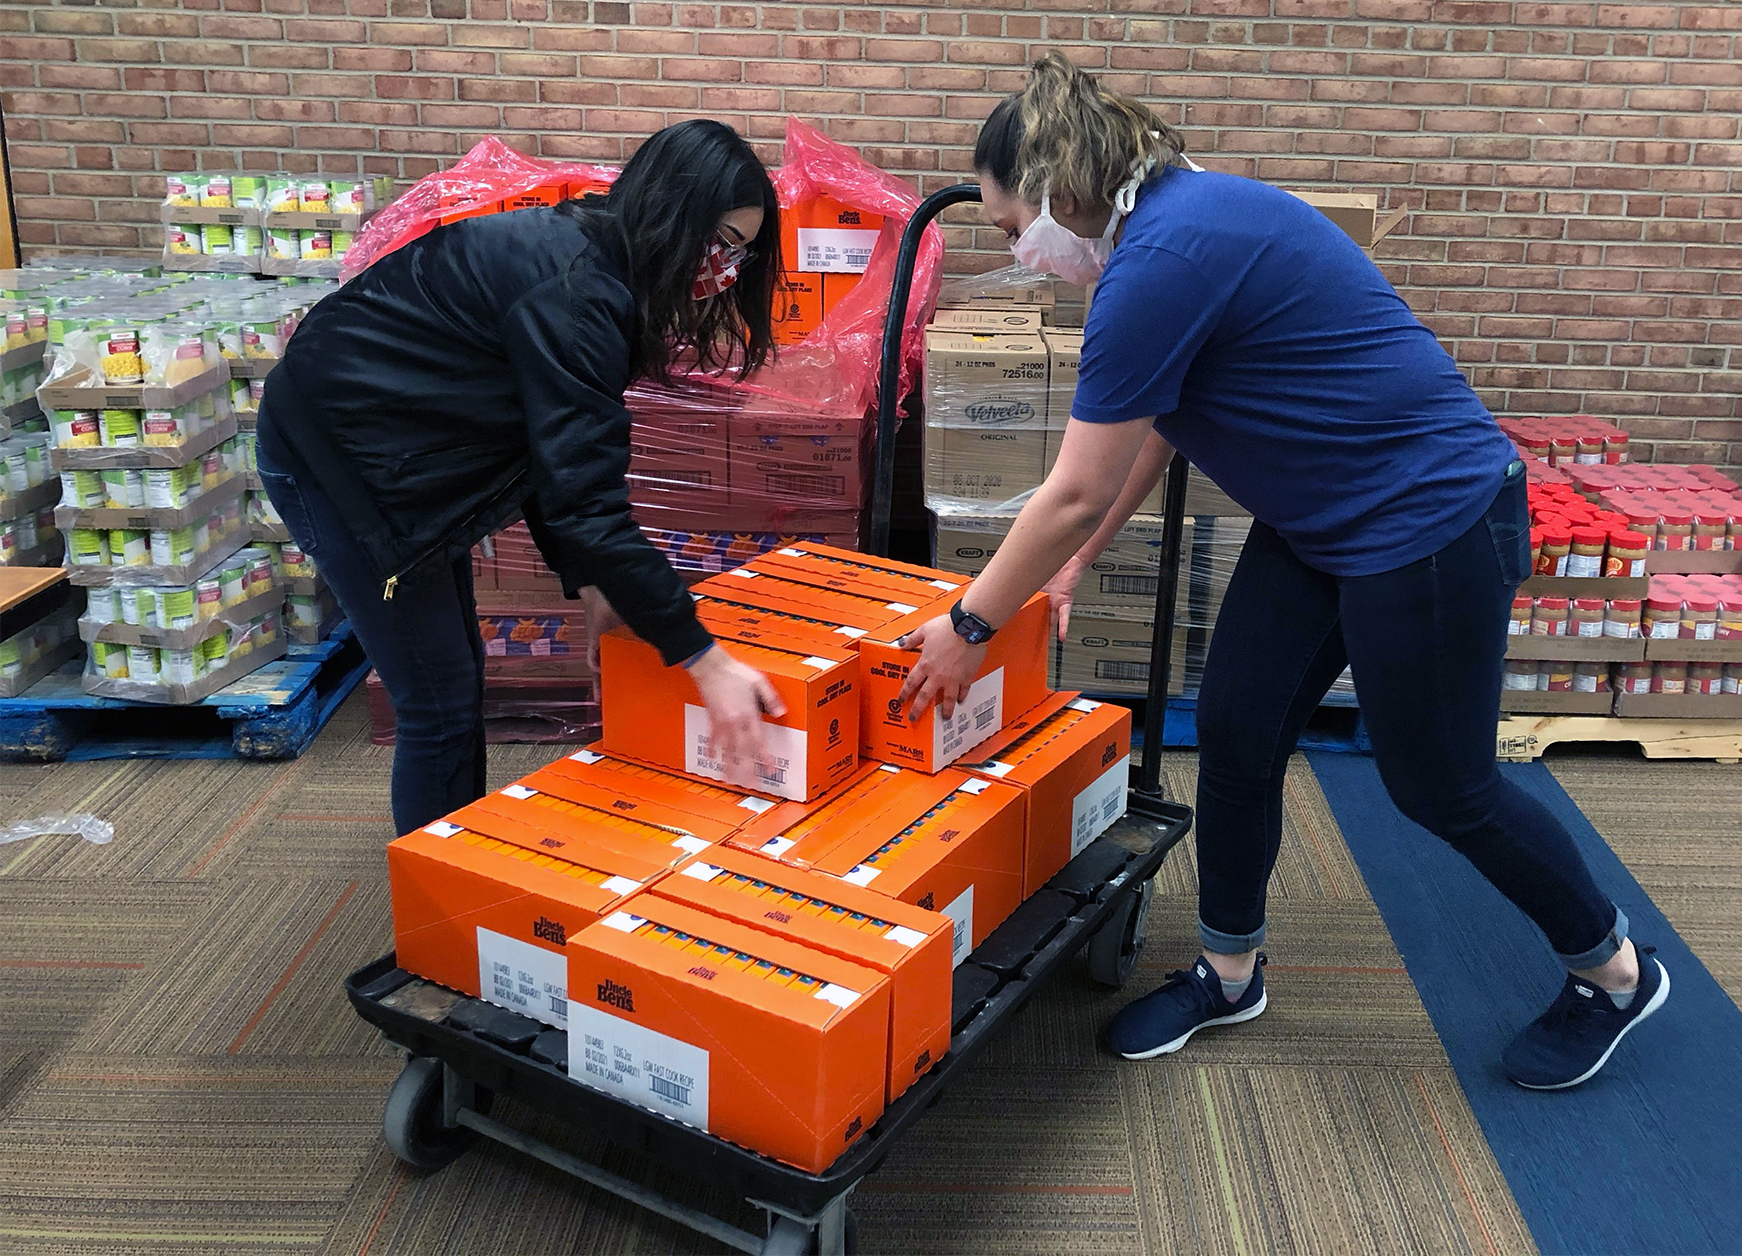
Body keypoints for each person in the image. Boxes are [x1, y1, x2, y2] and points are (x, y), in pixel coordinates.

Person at [897, 53, 1668, 1090]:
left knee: (1443, 786)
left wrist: (970, 624)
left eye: (1007, 227)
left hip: (1428, 520)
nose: (1017, 251)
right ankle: (1228, 972)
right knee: (1237, 728)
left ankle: (1615, 972)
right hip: (1320, 524)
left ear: (1055, 189)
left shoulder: (1161, 257)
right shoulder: (1169, 224)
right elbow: (1151, 428)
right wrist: (1075, 560)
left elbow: (1072, 487)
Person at [259, 120, 785, 836]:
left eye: (741, 253)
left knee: (452, 680)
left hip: (401, 447)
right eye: (722, 241)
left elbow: (552, 454)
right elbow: (586, 504)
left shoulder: (603, 267)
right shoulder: (574, 294)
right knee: (438, 700)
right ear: (673, 211)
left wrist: (591, 581)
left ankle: (454, 851)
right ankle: (441, 888)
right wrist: (704, 659)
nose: (726, 268)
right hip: (341, 460)